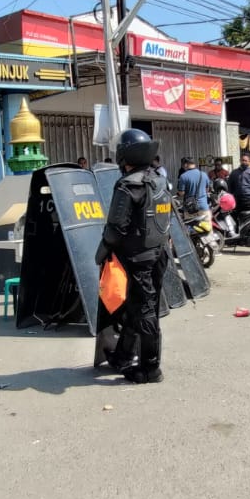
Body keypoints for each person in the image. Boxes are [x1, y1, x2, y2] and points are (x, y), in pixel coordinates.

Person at [96, 128, 170, 384]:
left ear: (124, 155)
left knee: (145, 310)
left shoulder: (128, 184)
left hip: (137, 260)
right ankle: (123, 355)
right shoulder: (159, 179)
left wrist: (102, 251)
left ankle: (151, 368)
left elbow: (116, 227)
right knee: (135, 308)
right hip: (158, 254)